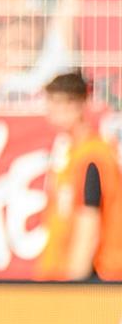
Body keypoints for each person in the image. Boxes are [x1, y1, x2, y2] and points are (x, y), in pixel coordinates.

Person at [35, 71, 122, 281]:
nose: (51, 112)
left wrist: (73, 289)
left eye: (59, 103)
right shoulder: (72, 153)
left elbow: (88, 225)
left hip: (96, 276)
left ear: (77, 105)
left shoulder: (92, 157)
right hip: (65, 272)